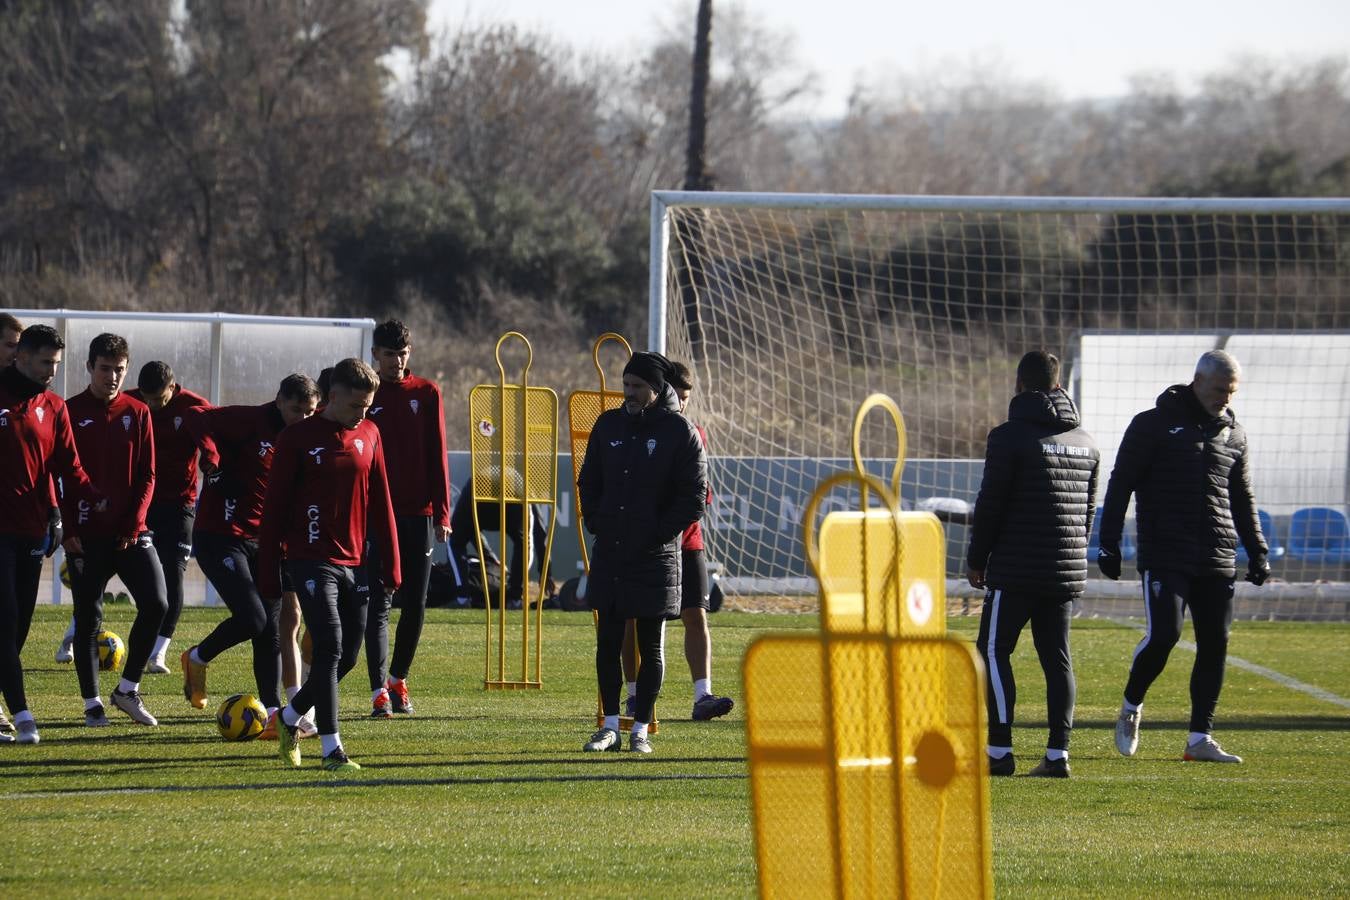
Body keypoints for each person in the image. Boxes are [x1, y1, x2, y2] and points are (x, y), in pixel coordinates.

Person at [1099, 350, 1269, 764]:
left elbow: (1242, 497)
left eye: (1231, 392)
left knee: (1215, 643)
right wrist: (1109, 541)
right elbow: (1121, 484)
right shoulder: (1151, 424)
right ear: (1198, 381)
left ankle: (1199, 739)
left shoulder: (1235, 433)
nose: (1225, 399)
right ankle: (1131, 705)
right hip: (1165, 551)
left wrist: (1257, 550)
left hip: (1217, 553)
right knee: (1165, 635)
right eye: (1219, 390)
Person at [259, 357, 400, 772]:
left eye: (368, 406)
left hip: (354, 560)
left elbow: (382, 501)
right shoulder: (297, 438)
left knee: (348, 655)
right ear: (332, 396)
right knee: (330, 645)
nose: (363, 414)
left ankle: (289, 717)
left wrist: (392, 562)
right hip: (309, 558)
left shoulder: (370, 433)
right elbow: (274, 509)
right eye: (356, 405)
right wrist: (268, 567)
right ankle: (331, 749)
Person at [966, 351, 1099, 778]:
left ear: (1019, 384)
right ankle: (1058, 755)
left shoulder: (1008, 437)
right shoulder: (1087, 442)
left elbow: (991, 503)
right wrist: (1071, 556)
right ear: (1059, 387)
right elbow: (1087, 513)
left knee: (992, 651)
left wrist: (977, 559)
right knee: (1057, 658)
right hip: (1064, 569)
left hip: (1016, 569)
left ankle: (999, 751)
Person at [577, 351, 707, 754]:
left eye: (637, 386)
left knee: (650, 646)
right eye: (626, 384)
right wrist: (597, 521)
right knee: (608, 642)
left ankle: (641, 729)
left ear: (657, 388)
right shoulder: (608, 425)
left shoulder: (680, 432)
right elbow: (588, 481)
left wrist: (657, 534)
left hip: (655, 556)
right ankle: (609, 726)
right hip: (612, 551)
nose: (629, 392)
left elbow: (694, 497)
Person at [180, 373, 320, 734]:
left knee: (270, 630)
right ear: (279, 401)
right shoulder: (250, 420)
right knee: (254, 619)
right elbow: (195, 415)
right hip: (221, 537)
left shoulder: (305, 438)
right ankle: (196, 657)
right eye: (296, 410)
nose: (303, 418)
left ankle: (272, 715)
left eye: (310, 411)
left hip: (266, 542)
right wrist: (211, 458)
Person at [61, 333, 168, 727]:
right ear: (90, 366)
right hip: (86, 534)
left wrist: (135, 522)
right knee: (88, 616)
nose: (112, 377)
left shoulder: (138, 412)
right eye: (105, 369)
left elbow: (148, 474)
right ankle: (92, 704)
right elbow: (57, 474)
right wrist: (68, 528)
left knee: (157, 604)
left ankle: (127, 690)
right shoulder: (69, 411)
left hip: (131, 532)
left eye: (119, 370)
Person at [0, 324, 99, 743]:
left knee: (19, 626)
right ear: (20, 356)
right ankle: (22, 714)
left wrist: (92, 498)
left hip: (32, 528)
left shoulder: (54, 406)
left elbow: (67, 465)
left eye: (56, 364)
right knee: (5, 619)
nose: (52, 371)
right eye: (45, 362)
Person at [620, 361, 732, 722]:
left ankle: (703, 696)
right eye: (677, 396)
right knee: (634, 621)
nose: (682, 403)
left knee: (696, 615)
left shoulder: (693, 433)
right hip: (648, 544)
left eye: (687, 398)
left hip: (687, 542)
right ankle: (634, 696)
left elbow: (701, 493)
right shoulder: (636, 430)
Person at [361, 320, 449, 718]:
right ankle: (378, 691)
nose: (396, 361)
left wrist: (442, 512)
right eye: (389, 354)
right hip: (378, 516)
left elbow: (438, 454)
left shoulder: (426, 393)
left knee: (416, 602)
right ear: (375, 355)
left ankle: (398, 679)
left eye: (402, 354)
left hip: (419, 515)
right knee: (380, 602)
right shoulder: (364, 395)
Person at [123, 361, 211, 674]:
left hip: (179, 505)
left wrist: (212, 462)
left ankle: (158, 653)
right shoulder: (128, 402)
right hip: (139, 502)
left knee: (173, 573)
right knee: (111, 565)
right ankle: (75, 634)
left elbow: (214, 444)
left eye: (158, 399)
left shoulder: (194, 408)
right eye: (146, 398)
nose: (151, 406)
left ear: (172, 388)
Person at [448, 472, 555, 608]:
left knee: (455, 542)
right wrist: (546, 572)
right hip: (507, 497)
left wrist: (488, 556)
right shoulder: (520, 481)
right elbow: (540, 533)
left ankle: (462, 598)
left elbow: (465, 529)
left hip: (480, 495)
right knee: (524, 543)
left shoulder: (487, 477)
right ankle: (515, 599)